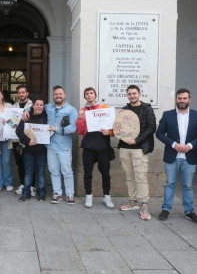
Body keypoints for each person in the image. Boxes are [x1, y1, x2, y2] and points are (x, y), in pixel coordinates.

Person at [29, 86, 77, 205]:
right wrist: (26, 111)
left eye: (60, 94)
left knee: (67, 171)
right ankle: (57, 193)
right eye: (56, 94)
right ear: (53, 96)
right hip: (50, 146)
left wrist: (57, 129)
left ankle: (70, 194)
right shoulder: (48, 107)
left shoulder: (71, 110)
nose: (58, 96)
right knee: (53, 171)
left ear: (64, 95)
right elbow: (35, 107)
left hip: (64, 147)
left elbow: (73, 128)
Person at [156, 88, 197, 223]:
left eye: (185, 98)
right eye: (179, 98)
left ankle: (189, 211)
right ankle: (166, 209)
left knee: (188, 186)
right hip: (172, 155)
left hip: (189, 156)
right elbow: (159, 133)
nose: (182, 101)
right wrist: (173, 144)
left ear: (189, 100)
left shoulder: (196, 115)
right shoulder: (168, 115)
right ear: (176, 100)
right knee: (169, 184)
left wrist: (190, 145)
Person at [118, 85, 156, 220]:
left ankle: (144, 206)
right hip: (124, 147)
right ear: (127, 95)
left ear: (139, 94)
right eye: (129, 94)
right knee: (129, 176)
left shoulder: (147, 108)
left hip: (140, 148)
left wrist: (137, 140)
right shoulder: (125, 110)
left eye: (134, 93)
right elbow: (119, 128)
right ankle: (133, 202)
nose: (132, 96)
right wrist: (119, 118)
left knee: (140, 177)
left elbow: (152, 127)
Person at [76, 87, 114, 209]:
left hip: (103, 145)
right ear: (85, 97)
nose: (89, 95)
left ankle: (107, 196)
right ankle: (88, 196)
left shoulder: (105, 108)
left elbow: (113, 127)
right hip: (88, 145)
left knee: (105, 173)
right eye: (87, 94)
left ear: (95, 95)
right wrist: (80, 118)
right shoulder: (82, 111)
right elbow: (81, 131)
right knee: (87, 172)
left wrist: (110, 132)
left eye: (91, 93)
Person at [16, 95, 47, 202]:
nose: (39, 107)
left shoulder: (46, 116)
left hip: (42, 151)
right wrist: (27, 141)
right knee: (28, 173)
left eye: (41, 105)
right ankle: (26, 193)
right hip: (28, 151)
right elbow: (18, 131)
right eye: (37, 105)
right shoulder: (27, 117)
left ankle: (41, 194)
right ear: (33, 106)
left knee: (41, 173)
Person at [12, 85, 34, 196]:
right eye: (19, 92)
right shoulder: (13, 106)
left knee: (30, 163)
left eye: (23, 92)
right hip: (17, 139)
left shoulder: (33, 105)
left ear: (27, 93)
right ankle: (22, 184)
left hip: (29, 138)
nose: (21, 94)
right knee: (20, 163)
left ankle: (32, 186)